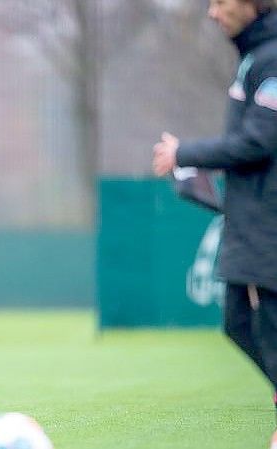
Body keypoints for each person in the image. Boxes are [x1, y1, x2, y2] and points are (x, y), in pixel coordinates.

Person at [152, 1, 277, 443]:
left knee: (259, 322)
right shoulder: (255, 55)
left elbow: (262, 139)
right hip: (253, 217)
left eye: (221, 2)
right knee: (239, 321)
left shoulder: (273, 56)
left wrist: (187, 153)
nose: (211, 12)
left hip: (269, 221)